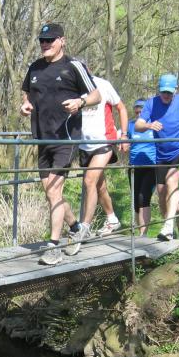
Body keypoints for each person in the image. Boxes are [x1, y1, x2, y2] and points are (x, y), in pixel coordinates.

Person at [20, 23, 100, 265]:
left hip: (66, 138)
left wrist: (80, 102)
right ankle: (75, 227)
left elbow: (96, 95)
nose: (45, 44)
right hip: (42, 138)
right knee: (50, 193)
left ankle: (53, 247)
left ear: (62, 41)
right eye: (42, 40)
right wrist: (25, 104)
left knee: (54, 192)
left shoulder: (73, 66)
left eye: (50, 40)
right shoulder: (35, 67)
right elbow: (27, 92)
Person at [135, 74, 179, 241]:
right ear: (159, 90)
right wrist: (149, 125)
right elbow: (138, 125)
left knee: (172, 180)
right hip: (162, 154)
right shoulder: (151, 103)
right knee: (161, 191)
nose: (166, 95)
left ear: (175, 90)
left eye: (169, 92)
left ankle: (168, 226)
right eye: (163, 92)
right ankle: (169, 228)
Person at [72, 73, 128, 251]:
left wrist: (124, 135)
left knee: (89, 180)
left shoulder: (103, 84)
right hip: (84, 144)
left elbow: (121, 108)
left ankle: (84, 227)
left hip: (104, 141)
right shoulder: (73, 85)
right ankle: (112, 219)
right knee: (99, 186)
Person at [127, 99, 157, 236]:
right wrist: (123, 144)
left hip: (151, 166)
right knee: (135, 200)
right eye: (137, 112)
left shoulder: (154, 125)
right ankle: (139, 231)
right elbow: (124, 140)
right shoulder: (131, 125)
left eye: (141, 112)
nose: (139, 115)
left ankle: (144, 234)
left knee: (143, 197)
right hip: (134, 166)